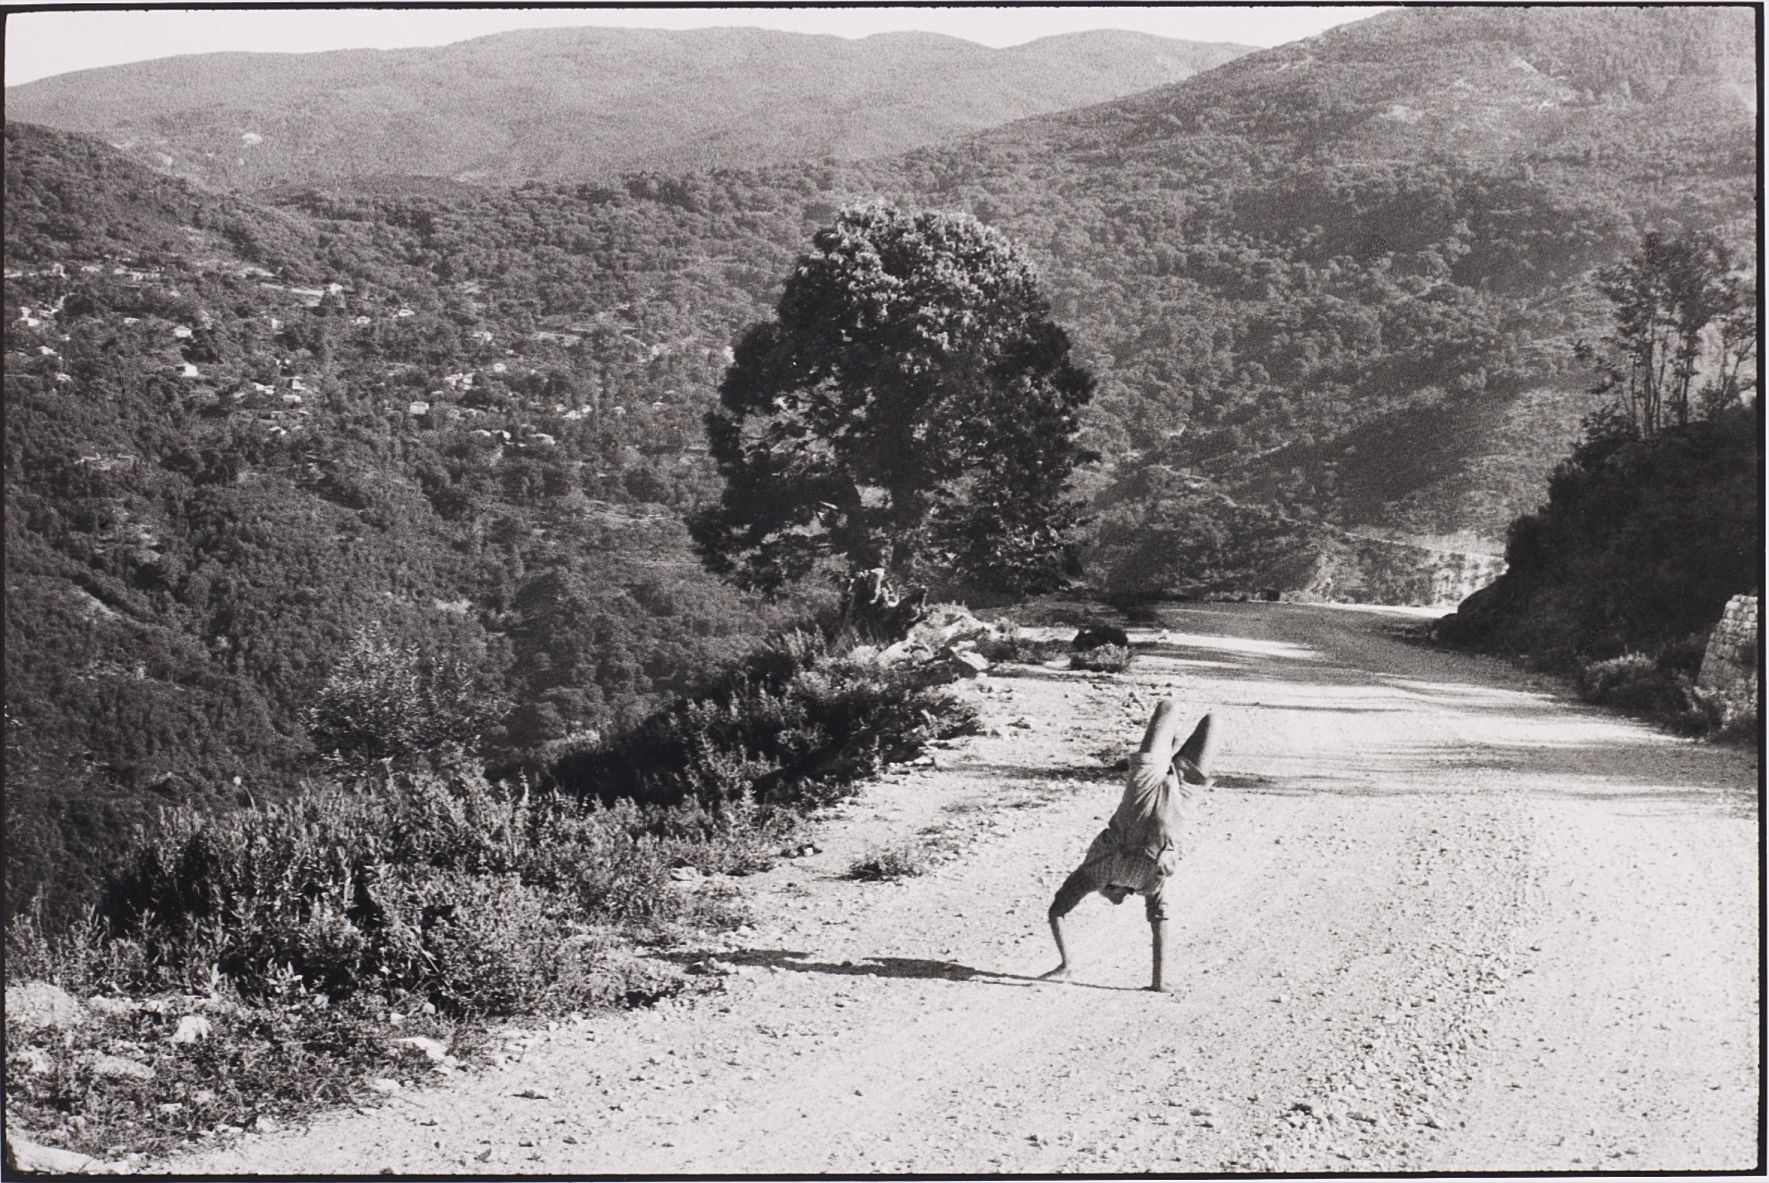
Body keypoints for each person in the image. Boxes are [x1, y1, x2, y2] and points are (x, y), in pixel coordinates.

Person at [1041, 698, 1216, 992]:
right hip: (1175, 796)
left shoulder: (1094, 875)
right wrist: (1157, 984)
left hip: (1150, 789)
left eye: (1110, 898)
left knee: (1192, 715)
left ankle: (1170, 749)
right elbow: (1159, 923)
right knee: (1192, 715)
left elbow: (1056, 912)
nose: (1116, 900)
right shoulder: (1148, 886)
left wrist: (1066, 964)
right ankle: (1170, 750)